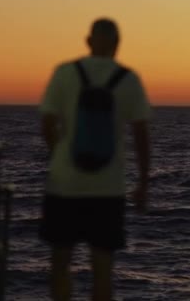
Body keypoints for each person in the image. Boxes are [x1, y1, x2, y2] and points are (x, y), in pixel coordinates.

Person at [38, 18, 152, 301]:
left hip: (65, 185)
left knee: (60, 266)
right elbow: (141, 135)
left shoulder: (65, 73)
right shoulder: (128, 79)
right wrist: (143, 183)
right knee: (103, 270)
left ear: (88, 41)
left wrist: (58, 156)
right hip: (108, 188)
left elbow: (47, 123)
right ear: (117, 45)